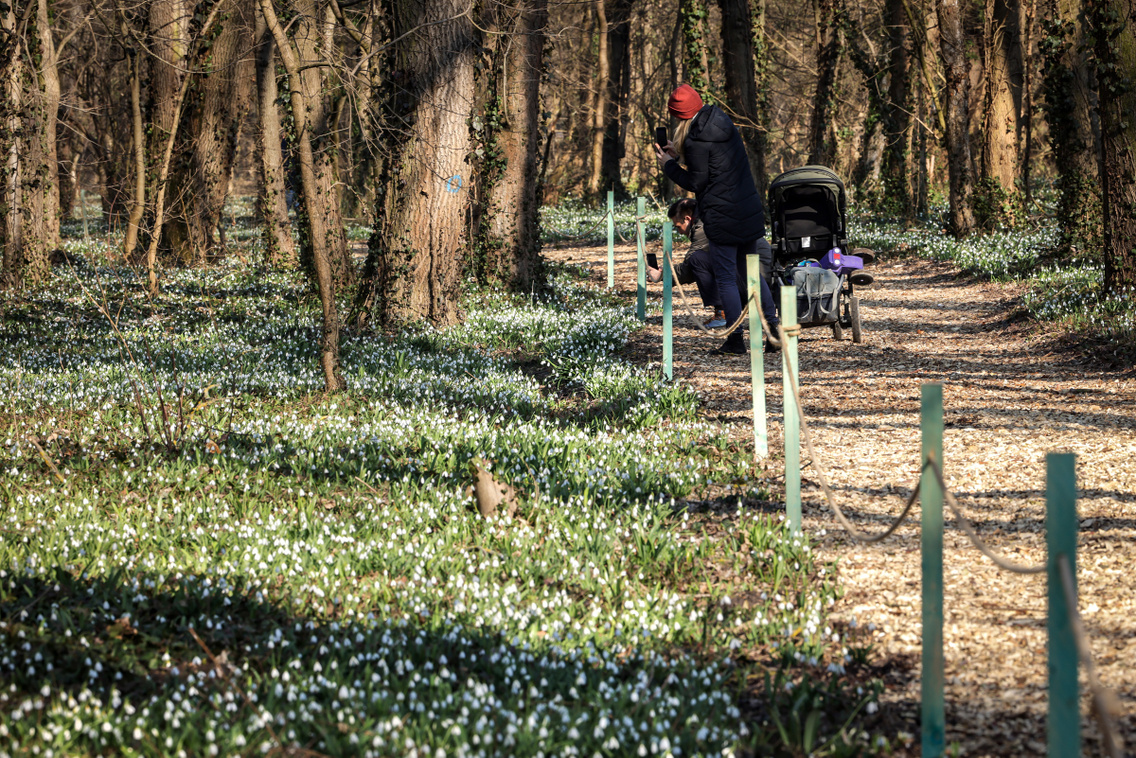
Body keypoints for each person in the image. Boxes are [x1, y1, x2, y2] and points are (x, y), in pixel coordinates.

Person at [654, 83, 780, 354]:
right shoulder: (721, 122)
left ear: (679, 116)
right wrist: (680, 156)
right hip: (746, 211)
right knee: (751, 276)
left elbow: (697, 181)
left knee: (725, 278)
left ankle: (735, 341)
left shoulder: (695, 138)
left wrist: (669, 165)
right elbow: (715, 166)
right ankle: (773, 333)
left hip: (723, 218)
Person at [647, 198, 726, 328]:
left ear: (688, 219)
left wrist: (663, 275)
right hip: (752, 266)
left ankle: (722, 312)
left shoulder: (702, 228)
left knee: (697, 260)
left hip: (749, 273)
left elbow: (689, 268)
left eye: (679, 227)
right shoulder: (707, 217)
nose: (680, 232)